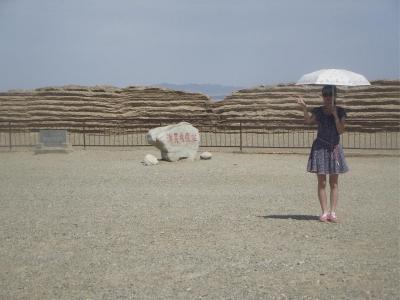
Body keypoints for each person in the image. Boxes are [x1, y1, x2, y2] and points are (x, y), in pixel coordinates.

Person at [296, 85, 348, 223]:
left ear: (334, 97)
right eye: (325, 96)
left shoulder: (341, 111)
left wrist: (336, 115)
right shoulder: (318, 111)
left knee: (334, 182)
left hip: (334, 148)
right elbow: (308, 121)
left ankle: (333, 212)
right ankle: (324, 212)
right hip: (320, 147)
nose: (327, 99)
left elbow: (341, 130)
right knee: (322, 182)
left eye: (330, 96)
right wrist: (304, 108)